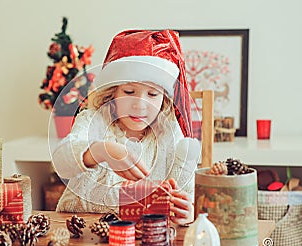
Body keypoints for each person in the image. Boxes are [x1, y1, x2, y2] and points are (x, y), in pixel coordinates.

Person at [52, 30, 200, 225]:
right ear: (113, 93)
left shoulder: (169, 131)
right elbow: (60, 162)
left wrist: (186, 214)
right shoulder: (94, 120)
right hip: (80, 232)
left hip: (144, 239)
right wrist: (100, 151)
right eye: (129, 91)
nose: (140, 104)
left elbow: (183, 199)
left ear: (164, 98)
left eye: (152, 94)